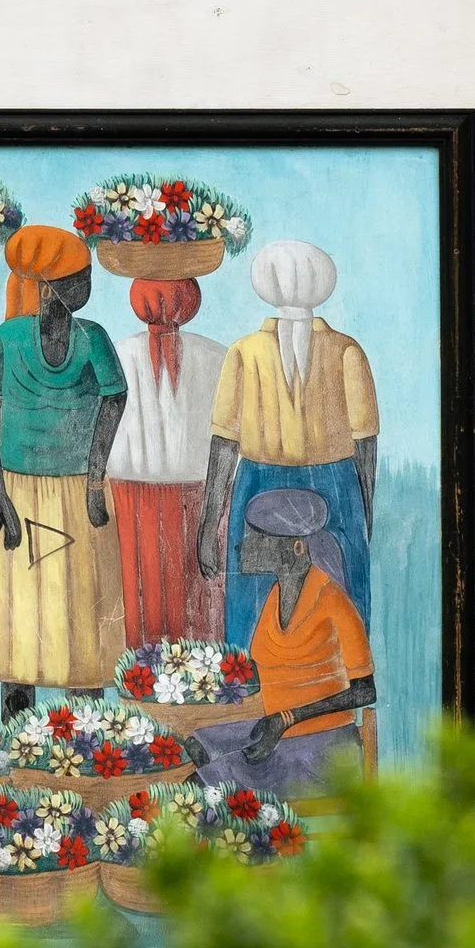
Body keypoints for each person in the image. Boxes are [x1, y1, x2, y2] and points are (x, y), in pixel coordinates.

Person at [0, 224, 126, 712]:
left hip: (79, 492)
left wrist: (95, 481)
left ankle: (88, 736)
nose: (88, 287)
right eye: (80, 279)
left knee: (84, 624)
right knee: (20, 625)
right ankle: (18, 739)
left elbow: (115, 400)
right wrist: (0, 494)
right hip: (18, 492)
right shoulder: (7, 338)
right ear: (50, 288)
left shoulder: (93, 338)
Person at [196, 239, 379, 643]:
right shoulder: (347, 350)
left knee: (263, 603)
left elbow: (224, 443)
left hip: (274, 482)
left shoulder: (243, 352)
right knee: (330, 597)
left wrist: (210, 522)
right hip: (328, 484)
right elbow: (366, 444)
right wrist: (365, 508)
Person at [96, 245, 226, 650]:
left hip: (159, 502)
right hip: (166, 502)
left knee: (148, 614)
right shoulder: (218, 356)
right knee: (186, 619)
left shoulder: (117, 353)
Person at [221, 484, 375, 788]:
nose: (243, 546)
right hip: (277, 732)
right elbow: (271, 669)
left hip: (323, 748)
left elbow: (365, 691)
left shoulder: (333, 601)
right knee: (197, 745)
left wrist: (288, 718)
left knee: (206, 782)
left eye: (259, 539)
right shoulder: (276, 596)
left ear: (297, 548)